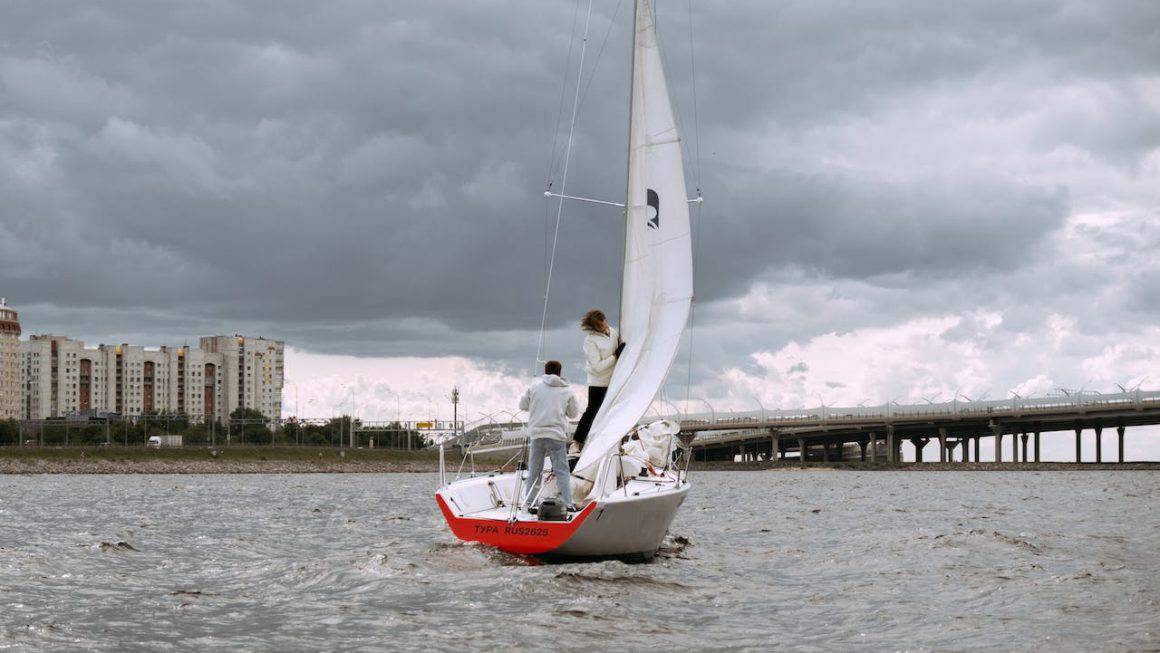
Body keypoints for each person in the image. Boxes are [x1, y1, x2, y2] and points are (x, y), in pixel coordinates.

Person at [519, 359, 580, 511]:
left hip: (537, 434)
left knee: (534, 471)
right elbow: (573, 414)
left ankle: (529, 503)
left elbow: (522, 406)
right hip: (556, 435)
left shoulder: (534, 387)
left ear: (545, 371)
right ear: (560, 373)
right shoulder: (567, 390)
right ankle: (567, 503)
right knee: (562, 471)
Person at [573, 309, 625, 449]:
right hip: (598, 382)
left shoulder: (613, 332)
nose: (604, 327)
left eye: (604, 323)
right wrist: (615, 357)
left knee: (615, 411)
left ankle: (613, 443)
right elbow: (597, 367)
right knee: (592, 411)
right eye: (600, 326)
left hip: (614, 380)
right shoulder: (590, 341)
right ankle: (577, 441)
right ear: (593, 327)